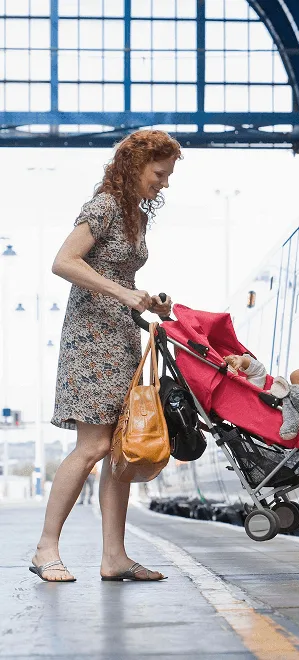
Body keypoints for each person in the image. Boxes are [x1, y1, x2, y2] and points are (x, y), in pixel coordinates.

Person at [30, 129, 181, 583]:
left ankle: (114, 556)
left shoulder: (136, 214)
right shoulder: (104, 207)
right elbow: (64, 262)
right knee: (93, 446)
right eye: (160, 173)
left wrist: (149, 302)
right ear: (135, 165)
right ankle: (45, 548)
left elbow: (118, 276)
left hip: (120, 338)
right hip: (90, 340)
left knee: (122, 450)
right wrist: (122, 293)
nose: (165, 183)